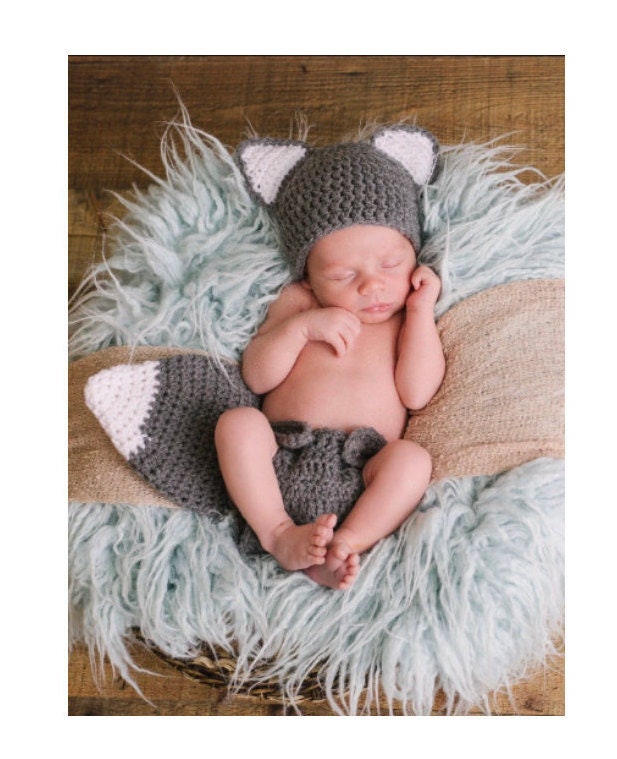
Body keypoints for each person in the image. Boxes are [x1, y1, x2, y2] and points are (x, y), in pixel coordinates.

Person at [215, 125, 445, 590]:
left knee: (413, 460)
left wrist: (421, 312)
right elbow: (256, 378)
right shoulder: (299, 303)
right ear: (309, 276)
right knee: (237, 424)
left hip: (365, 468)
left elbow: (418, 393)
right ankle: (277, 532)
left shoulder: (404, 317)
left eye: (390, 265)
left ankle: (347, 543)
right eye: (342, 275)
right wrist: (300, 329)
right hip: (281, 456)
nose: (372, 286)